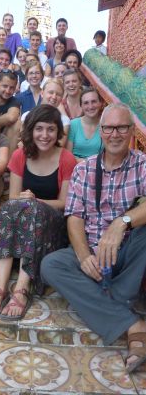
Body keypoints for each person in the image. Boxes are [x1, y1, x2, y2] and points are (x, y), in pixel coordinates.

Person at [41, 103, 146, 374]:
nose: (115, 134)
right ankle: (131, 322)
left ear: (132, 131)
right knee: (51, 265)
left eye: (121, 127)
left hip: (127, 252)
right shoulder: (84, 169)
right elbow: (74, 216)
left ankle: (115, 298)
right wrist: (83, 255)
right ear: (100, 131)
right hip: (94, 253)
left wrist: (122, 223)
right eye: (109, 128)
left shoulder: (142, 165)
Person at [0, 105, 77, 320]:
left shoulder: (66, 158)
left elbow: (64, 203)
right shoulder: (20, 155)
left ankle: (22, 288)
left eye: (51, 129)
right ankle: (0, 286)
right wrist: (28, 202)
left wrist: (37, 202)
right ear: (31, 130)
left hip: (53, 223)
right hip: (25, 214)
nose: (45, 135)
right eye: (39, 129)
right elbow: (14, 196)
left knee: (31, 209)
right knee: (10, 208)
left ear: (58, 132)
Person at [66, 87, 103, 161]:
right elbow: (68, 155)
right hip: (75, 168)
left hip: (99, 168)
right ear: (81, 106)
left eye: (94, 101)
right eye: (86, 103)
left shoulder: (106, 125)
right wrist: (86, 163)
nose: (90, 106)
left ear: (100, 103)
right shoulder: (73, 124)